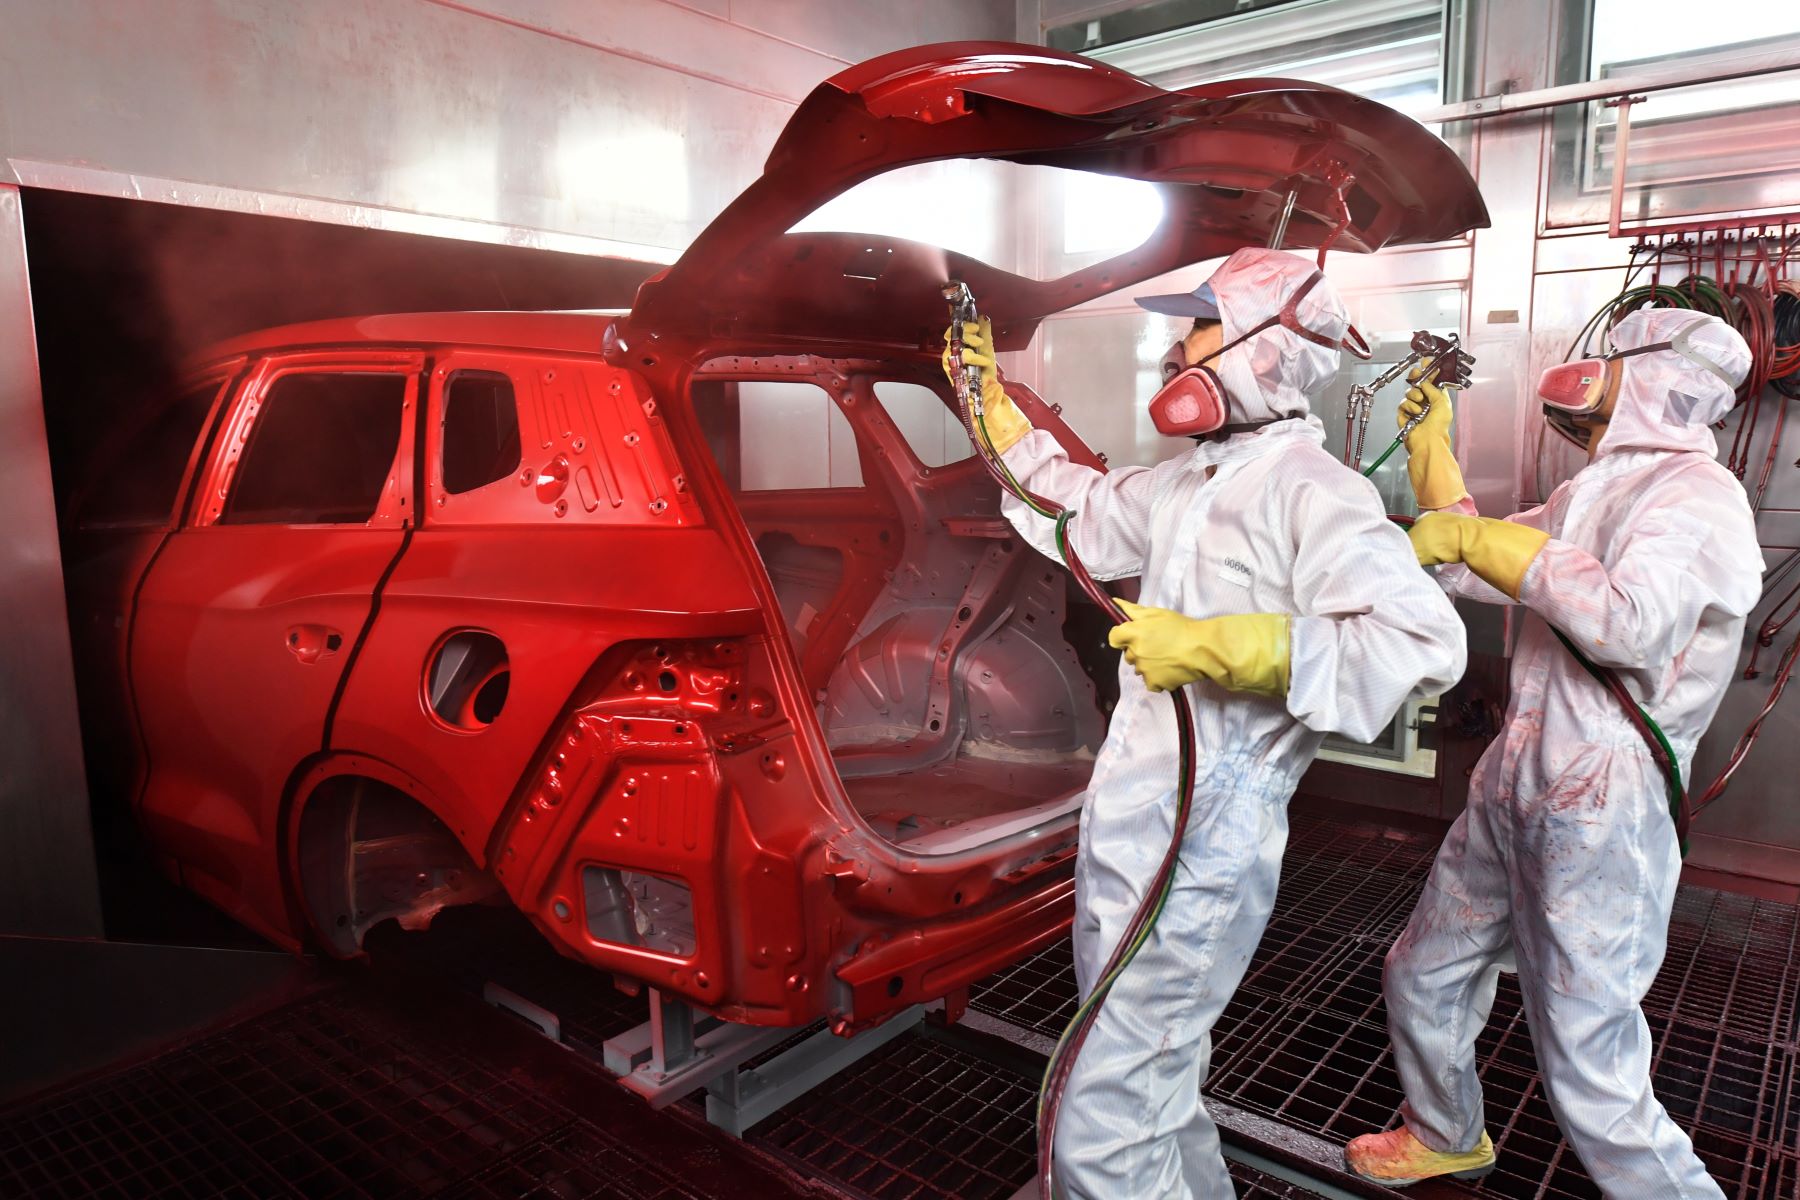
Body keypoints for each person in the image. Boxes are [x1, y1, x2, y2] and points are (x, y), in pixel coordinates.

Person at [945, 246, 1467, 1200]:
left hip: (1207, 841)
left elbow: (1421, 639)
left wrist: (1229, 648)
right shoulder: (1188, 484)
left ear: (1263, 352)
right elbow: (1073, 506)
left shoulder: (1316, 492)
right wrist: (985, 400)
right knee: (1153, 1069)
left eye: (1196, 328)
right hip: (1138, 821)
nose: (1173, 351)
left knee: (1105, 1103)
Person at [1344, 308, 1763, 1196]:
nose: (1589, 378)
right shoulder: (1589, 493)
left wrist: (1481, 540)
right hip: (1519, 772)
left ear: (1651, 379)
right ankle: (1447, 1131)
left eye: (1611, 363)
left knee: (1585, 1047)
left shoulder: (1698, 496)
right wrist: (1432, 447)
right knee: (1424, 970)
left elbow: (1627, 624)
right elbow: (1473, 565)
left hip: (1604, 795)